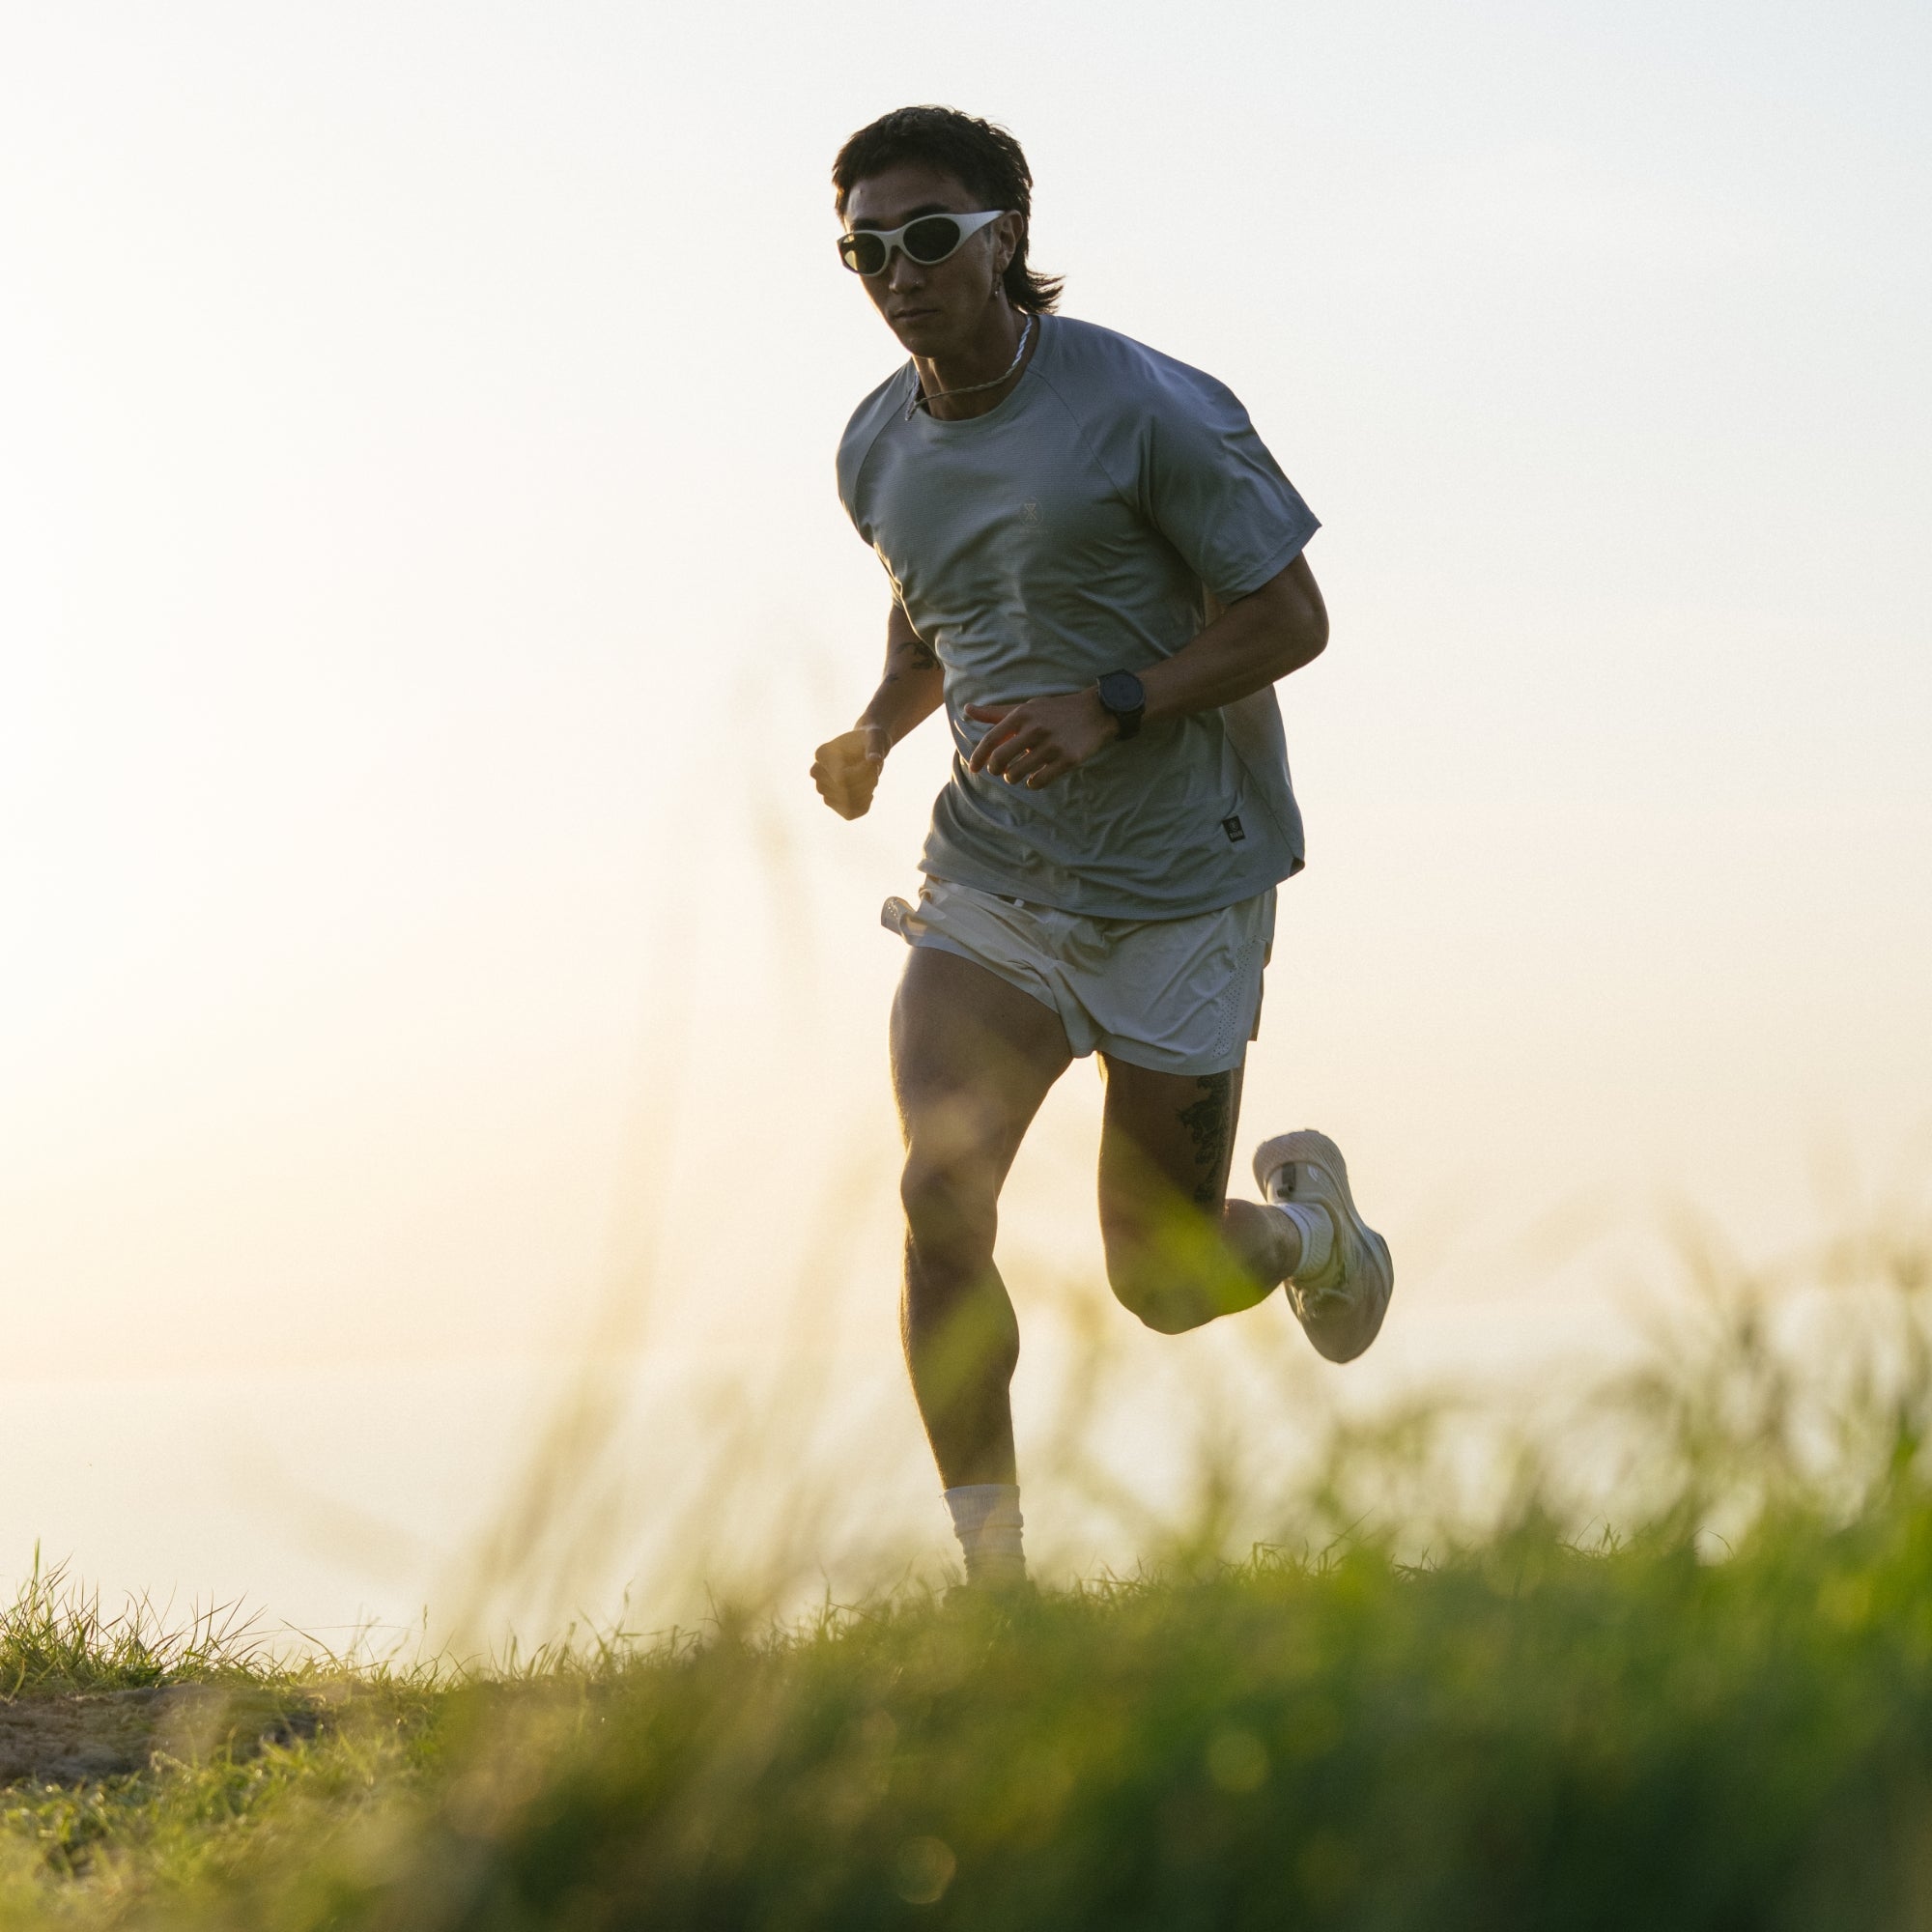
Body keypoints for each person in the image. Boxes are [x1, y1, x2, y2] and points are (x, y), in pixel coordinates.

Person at [811, 105, 1393, 1591]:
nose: (899, 269)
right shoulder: (876, 442)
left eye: (929, 236)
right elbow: (930, 592)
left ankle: (1315, 1237)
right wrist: (880, 729)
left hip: (1181, 883)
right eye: (867, 247)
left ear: (1008, 234)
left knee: (1165, 1278)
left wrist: (1112, 704)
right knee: (939, 1199)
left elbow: (1294, 619)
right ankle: (996, 1593)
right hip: (995, 881)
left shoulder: (1150, 410)